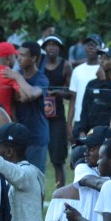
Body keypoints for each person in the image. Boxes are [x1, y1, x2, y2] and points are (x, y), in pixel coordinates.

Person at [9, 41, 49, 171]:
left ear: (33, 58)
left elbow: (31, 94)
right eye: (17, 55)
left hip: (36, 136)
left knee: (35, 179)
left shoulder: (41, 79)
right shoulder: (15, 75)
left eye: (23, 55)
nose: (19, 58)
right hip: (18, 135)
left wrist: (17, 76)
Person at [42, 36, 73, 187]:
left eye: (55, 45)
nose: (51, 48)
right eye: (49, 45)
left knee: (57, 158)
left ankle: (60, 193)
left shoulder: (65, 66)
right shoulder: (39, 63)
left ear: (60, 48)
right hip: (40, 114)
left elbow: (71, 92)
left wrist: (60, 93)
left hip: (57, 116)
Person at [77, 47, 111, 137]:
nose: (102, 61)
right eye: (100, 57)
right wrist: (81, 130)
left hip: (109, 130)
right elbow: (85, 109)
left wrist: (103, 81)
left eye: (107, 58)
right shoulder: (92, 84)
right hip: (91, 131)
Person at [68, 35, 104, 137]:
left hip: (98, 119)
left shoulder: (103, 69)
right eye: (88, 45)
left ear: (101, 48)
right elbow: (73, 99)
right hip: (79, 119)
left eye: (94, 45)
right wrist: (69, 123)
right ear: (85, 48)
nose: (91, 47)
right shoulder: (77, 70)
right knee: (78, 151)